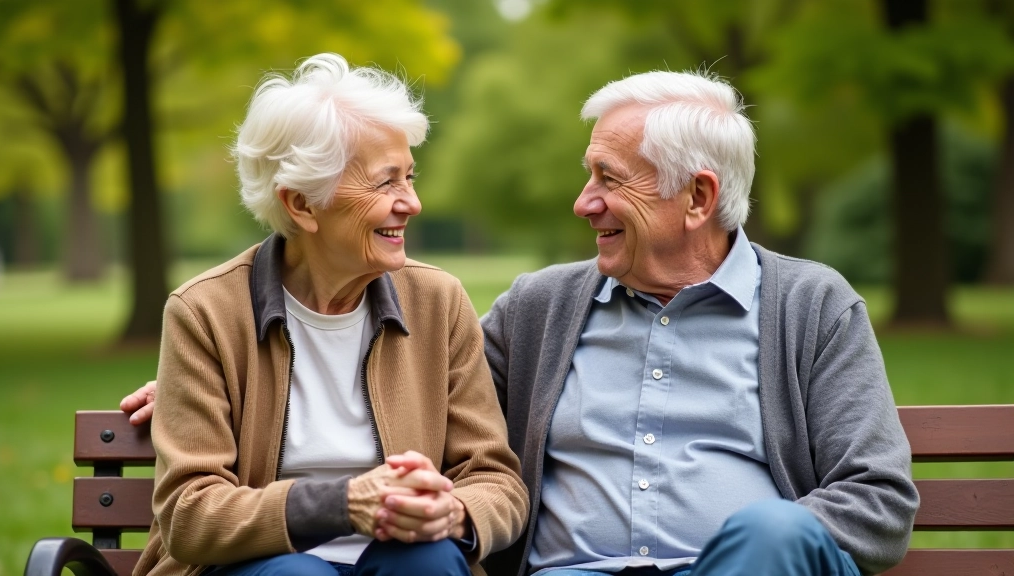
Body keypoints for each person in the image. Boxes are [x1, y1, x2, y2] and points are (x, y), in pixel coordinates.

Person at [126, 69, 918, 576]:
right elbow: (446, 403)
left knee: (772, 536)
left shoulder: (811, 307)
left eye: (609, 180)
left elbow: (878, 498)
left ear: (699, 198)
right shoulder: (539, 310)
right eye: (588, 177)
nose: (583, 204)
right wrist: (208, 383)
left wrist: (755, 549)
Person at [125, 53, 528, 576]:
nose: (412, 202)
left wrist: (456, 512)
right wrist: (341, 504)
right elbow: (189, 513)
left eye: (409, 177)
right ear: (301, 204)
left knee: (427, 559)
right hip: (261, 565)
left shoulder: (438, 301)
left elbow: (494, 477)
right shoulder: (205, 311)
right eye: (386, 183)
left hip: (400, 557)